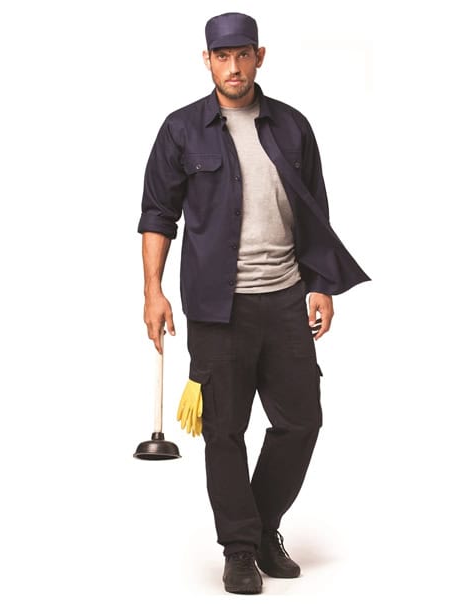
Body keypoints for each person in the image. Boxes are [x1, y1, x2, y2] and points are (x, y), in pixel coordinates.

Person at [137, 12, 370, 595]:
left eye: (243, 54)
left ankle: (262, 529)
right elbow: (157, 214)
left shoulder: (292, 126)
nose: (234, 67)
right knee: (224, 432)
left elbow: (315, 209)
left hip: (286, 299)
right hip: (217, 309)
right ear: (207, 60)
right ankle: (240, 549)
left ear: (259, 57)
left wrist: (321, 284)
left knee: (302, 422)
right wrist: (152, 291)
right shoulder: (181, 130)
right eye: (222, 56)